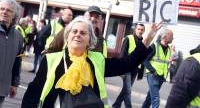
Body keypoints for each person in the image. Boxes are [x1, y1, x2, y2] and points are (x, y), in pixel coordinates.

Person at [21, 16, 162, 108]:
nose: (77, 34)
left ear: (90, 40)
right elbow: (34, 92)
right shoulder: (51, 59)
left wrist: (147, 39)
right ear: (67, 36)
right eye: (74, 31)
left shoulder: (97, 60)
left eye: (83, 33)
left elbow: (127, 63)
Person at [112, 23, 145, 108]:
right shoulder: (128, 38)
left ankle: (116, 105)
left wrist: (141, 73)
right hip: (126, 69)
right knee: (128, 90)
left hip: (135, 69)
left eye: (142, 30)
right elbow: (122, 54)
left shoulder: (144, 41)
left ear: (144, 31)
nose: (140, 31)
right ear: (135, 30)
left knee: (126, 90)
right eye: (138, 29)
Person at [141, 28, 174, 108]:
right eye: (171, 36)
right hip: (153, 75)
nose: (173, 38)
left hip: (161, 77)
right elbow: (144, 59)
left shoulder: (169, 48)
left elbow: (164, 62)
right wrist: (152, 70)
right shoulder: (154, 46)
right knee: (156, 99)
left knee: (150, 97)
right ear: (165, 37)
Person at [0, 0, 23, 108]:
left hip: (2, 88)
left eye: (9, 10)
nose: (4, 12)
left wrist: (14, 84)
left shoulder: (18, 36)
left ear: (15, 15)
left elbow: (18, 61)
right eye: (2, 9)